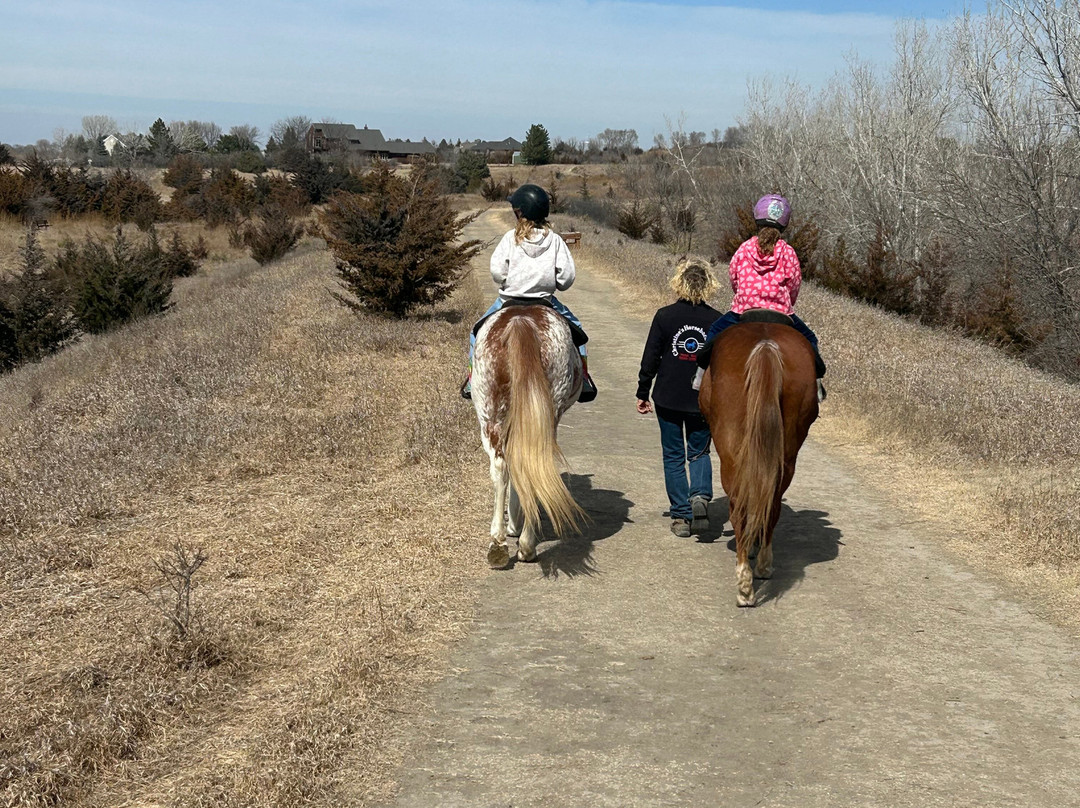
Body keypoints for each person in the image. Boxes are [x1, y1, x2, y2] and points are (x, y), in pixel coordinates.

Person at [461, 183, 597, 402]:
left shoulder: (508, 239)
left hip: (508, 301)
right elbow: (567, 278)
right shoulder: (555, 240)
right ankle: (583, 379)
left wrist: (507, 280)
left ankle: (471, 379)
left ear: (519, 212)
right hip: (544, 302)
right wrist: (555, 281)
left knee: (476, 332)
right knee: (577, 332)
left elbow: (497, 272)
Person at [694, 194, 827, 401]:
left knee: (714, 332)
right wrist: (786, 303)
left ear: (757, 219)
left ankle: (699, 376)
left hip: (744, 312)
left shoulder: (744, 248)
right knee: (810, 340)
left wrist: (744, 296)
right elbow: (794, 285)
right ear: (784, 224)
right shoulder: (789, 252)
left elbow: (734, 278)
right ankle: (817, 385)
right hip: (781, 314)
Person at [636, 256, 720, 537]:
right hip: (702, 400)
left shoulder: (664, 316)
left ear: (678, 284)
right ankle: (700, 497)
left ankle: (681, 517)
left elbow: (651, 358)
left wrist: (642, 391)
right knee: (698, 452)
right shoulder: (717, 321)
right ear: (709, 286)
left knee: (673, 456)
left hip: (668, 397)